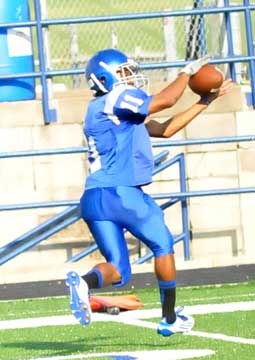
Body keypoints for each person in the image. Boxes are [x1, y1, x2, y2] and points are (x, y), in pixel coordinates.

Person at [66, 48, 233, 336]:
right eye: (124, 72)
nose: (131, 77)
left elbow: (165, 130)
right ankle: (169, 318)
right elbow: (166, 100)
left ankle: (83, 283)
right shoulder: (115, 100)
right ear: (105, 78)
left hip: (94, 199)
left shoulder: (112, 114)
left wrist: (205, 100)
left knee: (118, 270)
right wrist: (186, 72)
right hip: (123, 194)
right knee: (163, 245)